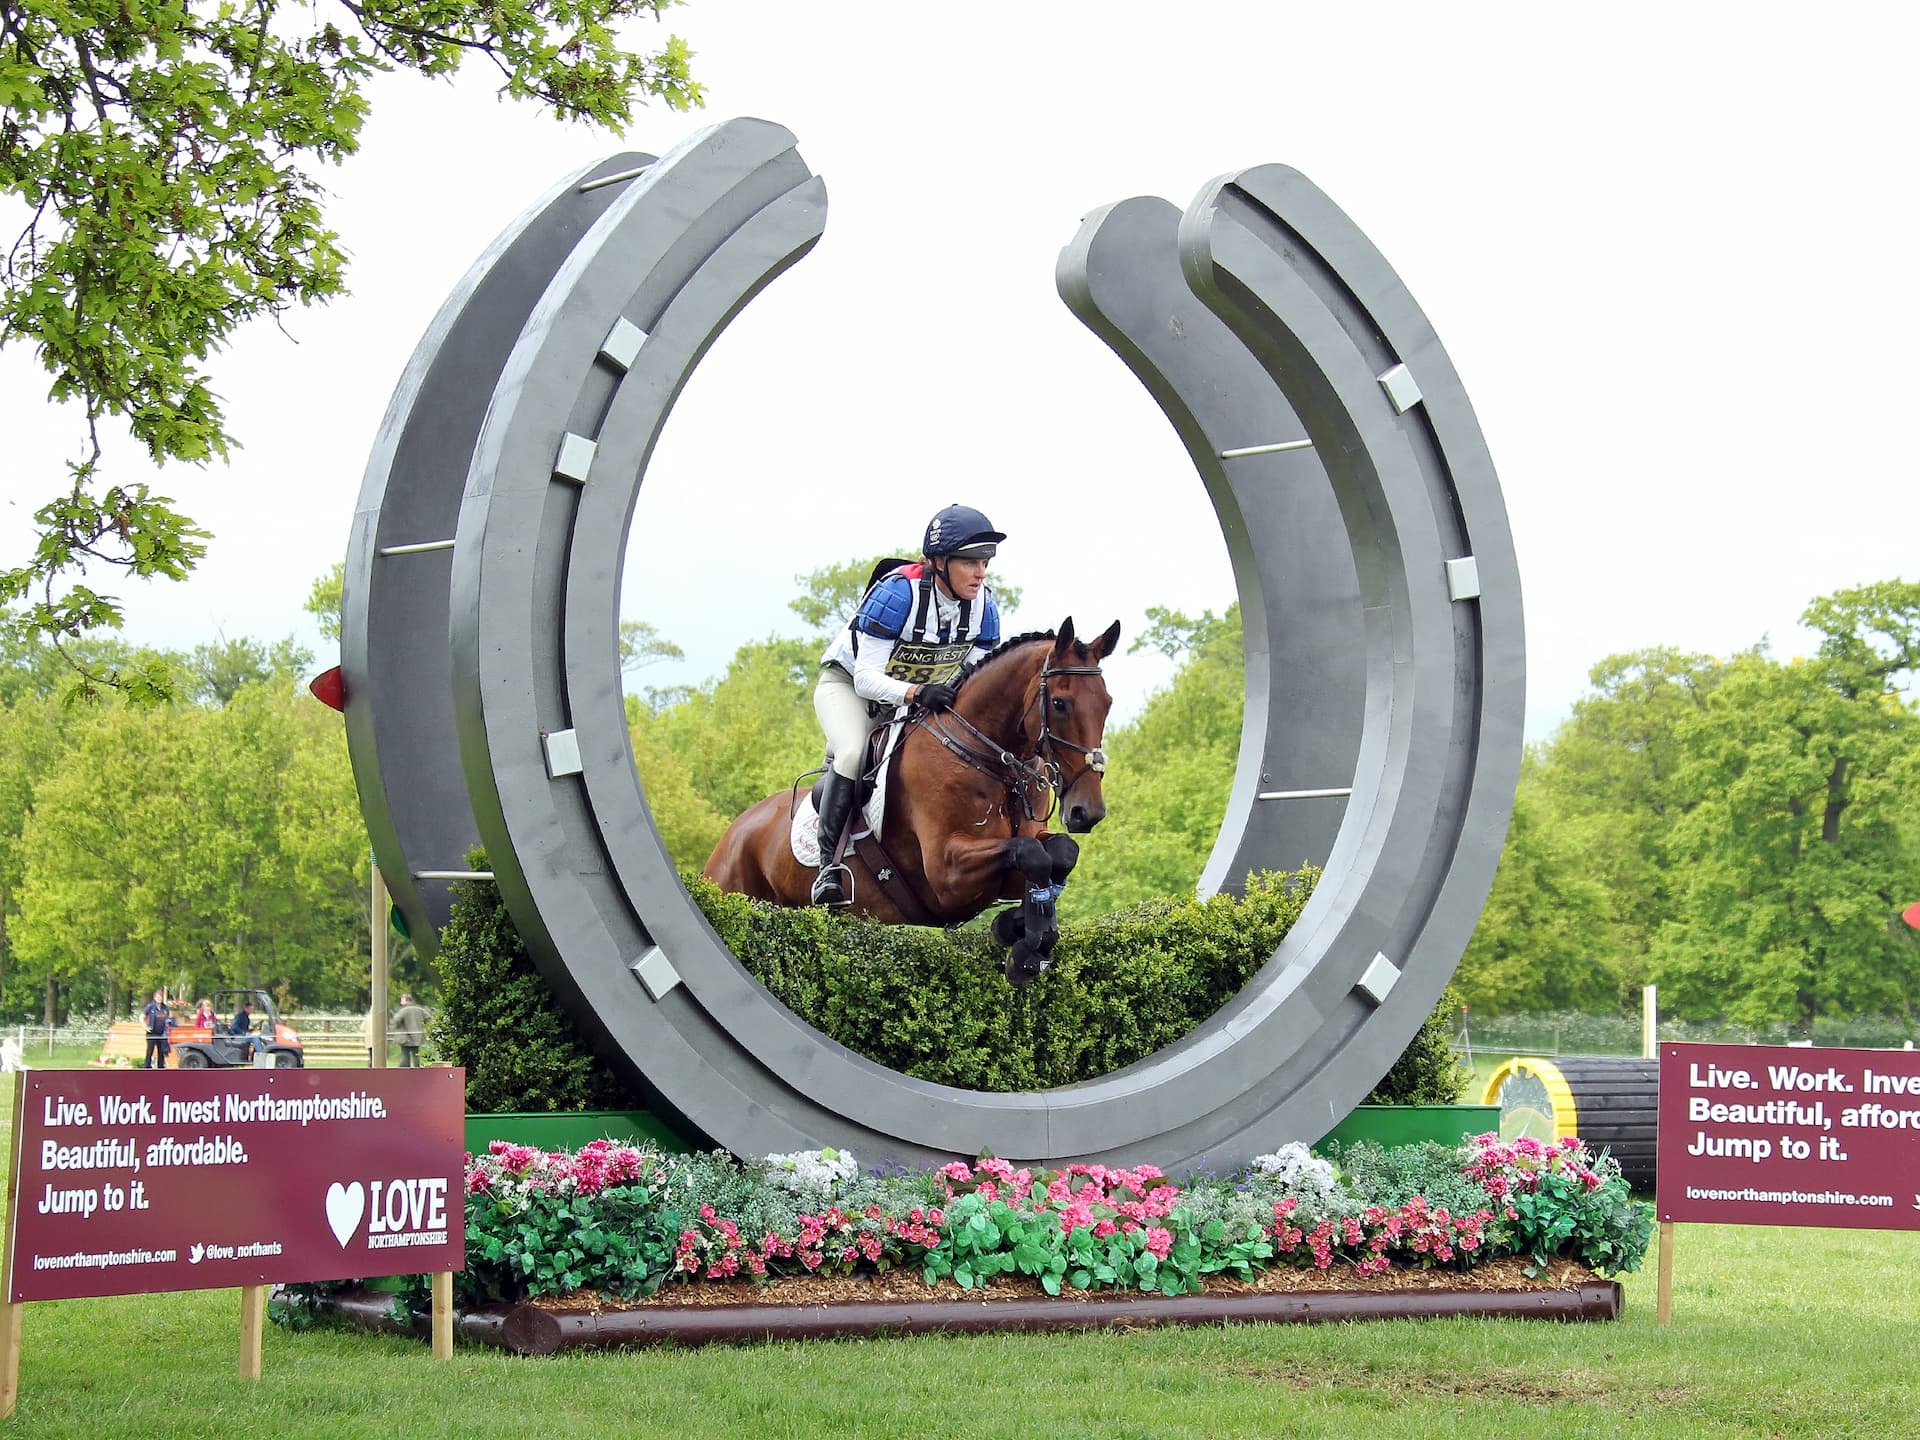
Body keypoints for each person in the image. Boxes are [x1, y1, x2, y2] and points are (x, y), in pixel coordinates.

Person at [810, 504, 1005, 905]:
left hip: (906, 702)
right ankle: (827, 868)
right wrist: (917, 693)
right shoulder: (898, 594)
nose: (980, 572)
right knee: (851, 753)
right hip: (849, 689)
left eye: (984, 561)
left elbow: (972, 678)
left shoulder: (984, 608)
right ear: (937, 562)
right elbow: (865, 678)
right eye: (969, 562)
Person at [391, 993, 430, 1068]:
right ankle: (417, 1069)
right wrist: (424, 1026)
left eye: (402, 999)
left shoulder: (404, 1010)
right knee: (416, 1055)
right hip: (417, 1036)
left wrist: (397, 1026)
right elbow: (429, 1018)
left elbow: (396, 1020)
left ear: (407, 1000)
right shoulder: (419, 1009)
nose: (401, 1001)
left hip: (405, 1037)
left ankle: (405, 1071)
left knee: (405, 1055)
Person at [141, 989, 171, 1070]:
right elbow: (141, 1017)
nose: (159, 998)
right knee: (150, 1051)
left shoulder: (165, 1008)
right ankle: (147, 1067)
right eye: (157, 997)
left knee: (161, 1052)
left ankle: (161, 1068)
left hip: (162, 1034)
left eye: (160, 997)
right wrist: (145, 1027)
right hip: (152, 1033)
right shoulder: (150, 1007)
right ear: (154, 998)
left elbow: (168, 1019)